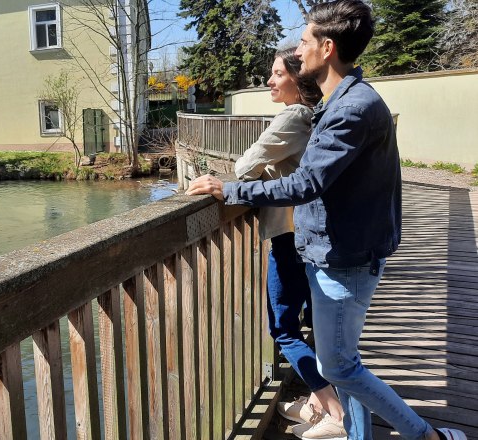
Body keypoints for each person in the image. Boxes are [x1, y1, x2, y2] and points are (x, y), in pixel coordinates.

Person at [186, 1, 467, 440]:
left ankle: (427, 436)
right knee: (342, 362)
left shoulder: (351, 109)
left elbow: (305, 184)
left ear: (328, 47)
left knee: (339, 366)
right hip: (336, 251)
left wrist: (230, 190)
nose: (298, 52)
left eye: (304, 42)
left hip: (346, 259)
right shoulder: (344, 103)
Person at [233, 46, 346, 437]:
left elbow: (243, 167)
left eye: (278, 74)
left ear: (298, 81)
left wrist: (265, 175)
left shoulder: (294, 115)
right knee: (315, 321)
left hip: (290, 235)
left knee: (283, 329)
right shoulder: (317, 115)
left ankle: (335, 413)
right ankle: (318, 403)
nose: (269, 80)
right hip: (315, 235)